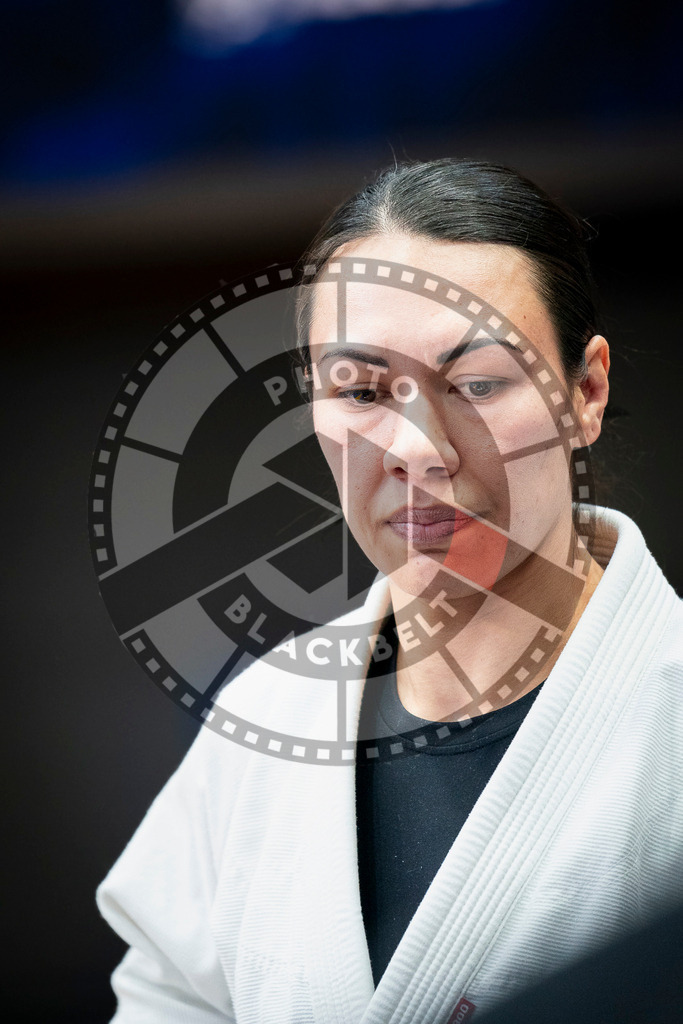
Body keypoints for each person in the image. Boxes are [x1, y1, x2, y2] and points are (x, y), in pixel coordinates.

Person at [97, 160, 683, 1024]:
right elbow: (167, 998)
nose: (419, 450)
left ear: (583, 392)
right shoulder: (266, 724)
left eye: (479, 382)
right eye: (362, 390)